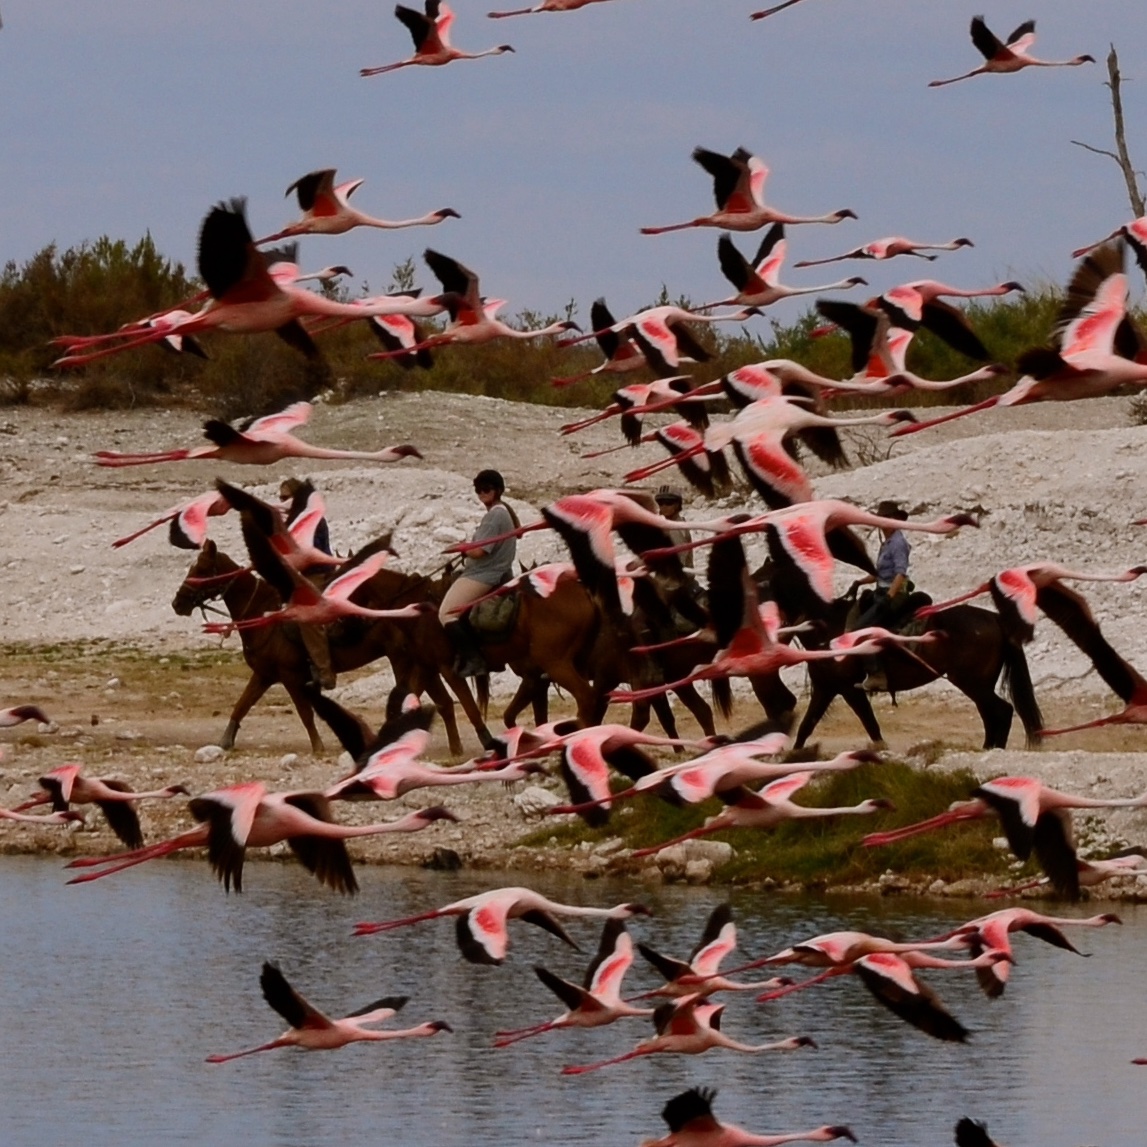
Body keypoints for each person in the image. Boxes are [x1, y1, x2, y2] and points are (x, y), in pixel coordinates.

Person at [439, 470, 519, 677]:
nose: (482, 493)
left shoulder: (495, 516)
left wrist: (460, 548)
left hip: (484, 574)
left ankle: (474, 659)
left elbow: (480, 551)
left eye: (486, 489)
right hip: (497, 571)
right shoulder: (505, 512)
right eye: (478, 490)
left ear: (497, 490)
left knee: (446, 613)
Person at [279, 477, 336, 690]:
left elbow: (312, 554)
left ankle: (325, 671)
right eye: (280, 498)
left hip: (317, 575)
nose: (282, 502)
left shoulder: (313, 520)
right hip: (298, 576)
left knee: (307, 618)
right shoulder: (288, 523)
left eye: (286, 498)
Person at [851, 499, 911, 693]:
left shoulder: (898, 543)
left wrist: (890, 597)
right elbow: (878, 574)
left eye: (886, 518)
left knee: (863, 628)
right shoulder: (887, 543)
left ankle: (877, 675)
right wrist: (859, 582)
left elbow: (900, 574)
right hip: (882, 589)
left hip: (893, 593)